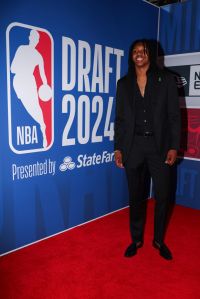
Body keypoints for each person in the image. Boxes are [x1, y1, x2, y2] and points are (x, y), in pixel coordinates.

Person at [114, 39, 181, 260]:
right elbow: (121, 120)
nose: (139, 54)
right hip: (133, 147)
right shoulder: (123, 84)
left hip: (159, 147)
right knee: (135, 196)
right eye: (135, 51)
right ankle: (136, 239)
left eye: (143, 50)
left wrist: (173, 146)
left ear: (150, 55)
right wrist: (118, 149)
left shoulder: (167, 80)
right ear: (131, 56)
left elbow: (173, 117)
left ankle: (158, 240)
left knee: (162, 196)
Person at [11, 29, 48, 148]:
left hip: (30, 82)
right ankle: (42, 124)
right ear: (30, 38)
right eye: (33, 37)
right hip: (18, 82)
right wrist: (21, 67)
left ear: (37, 41)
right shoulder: (21, 49)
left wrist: (46, 85)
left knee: (35, 107)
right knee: (27, 107)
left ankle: (43, 128)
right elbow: (12, 68)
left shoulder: (38, 56)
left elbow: (43, 74)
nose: (35, 41)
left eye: (37, 39)